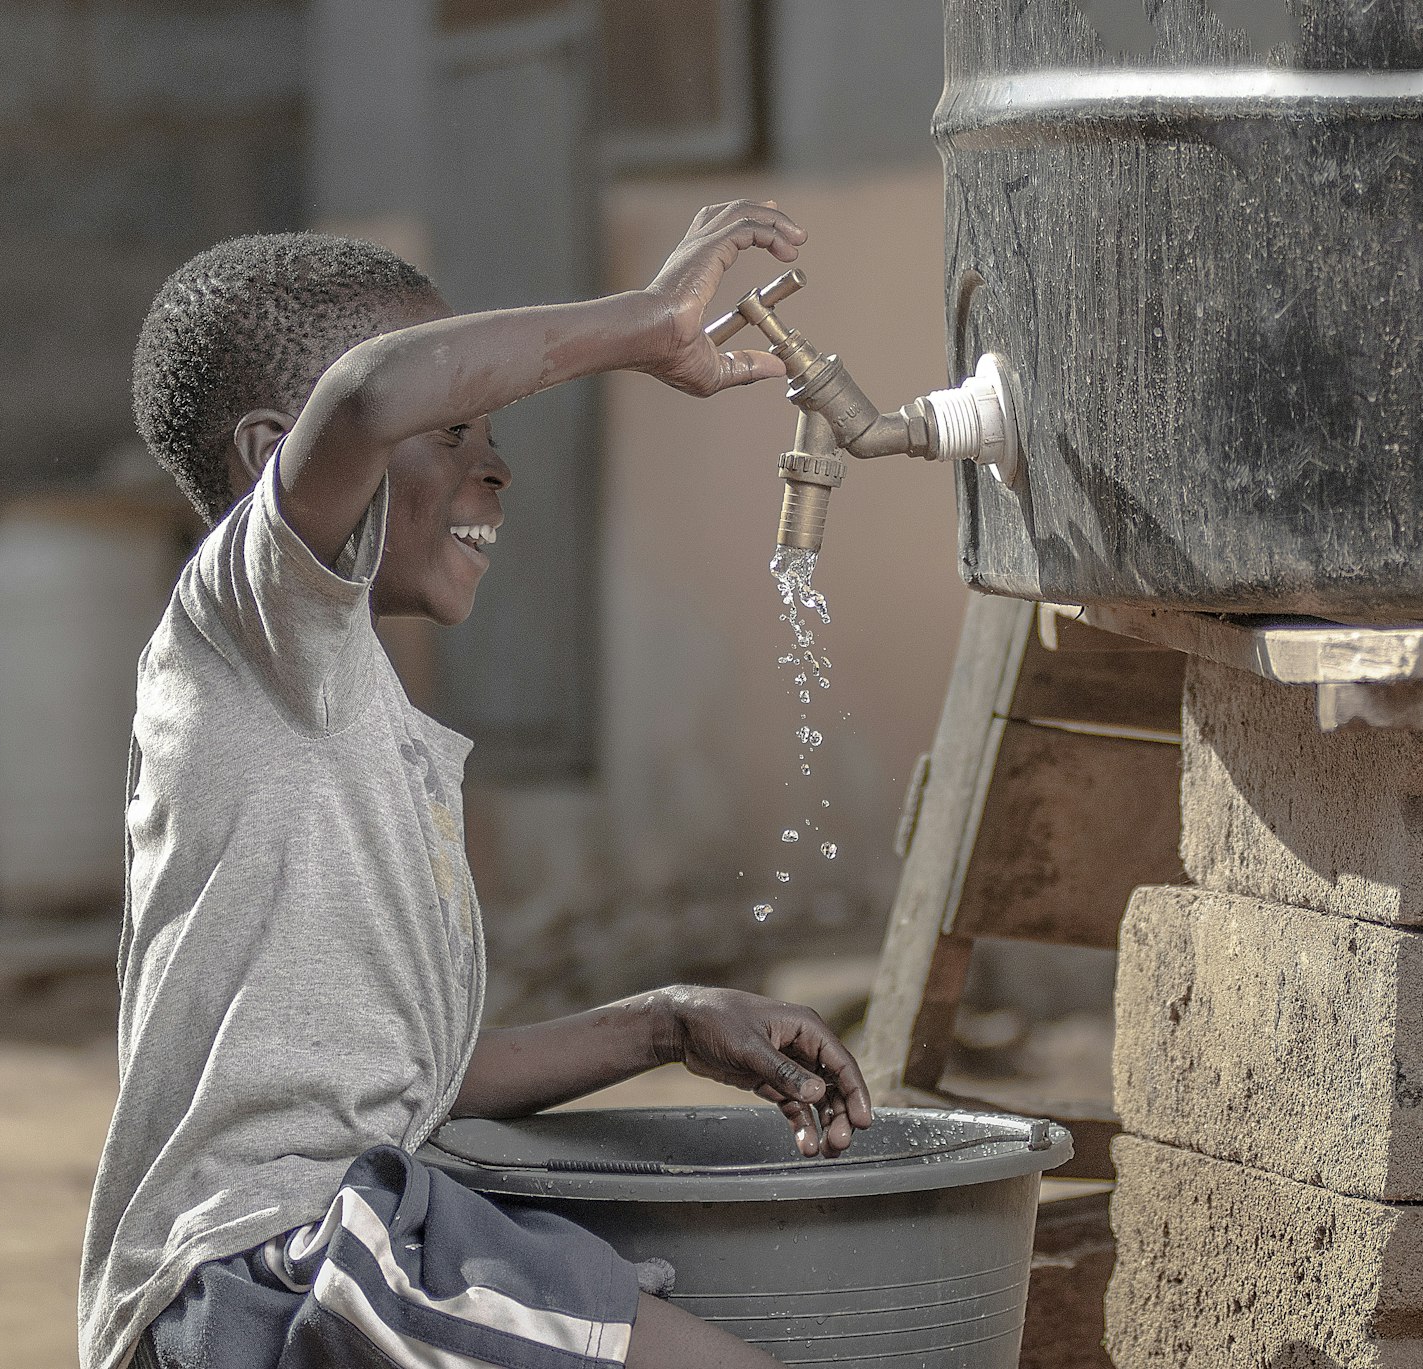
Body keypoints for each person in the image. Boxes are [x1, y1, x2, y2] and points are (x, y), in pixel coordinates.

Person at [80, 201, 874, 1369]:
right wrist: (642, 326)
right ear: (271, 460)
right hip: (280, 1263)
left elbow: (414, 1081)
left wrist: (665, 1022)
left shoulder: (340, 707)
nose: (495, 466)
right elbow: (362, 396)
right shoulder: (249, 616)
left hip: (296, 1265)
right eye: (450, 433)